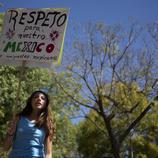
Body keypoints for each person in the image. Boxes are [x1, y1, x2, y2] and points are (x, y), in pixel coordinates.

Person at [3, 90, 55, 158]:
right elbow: (5, 148)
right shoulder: (18, 118)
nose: (39, 99)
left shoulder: (46, 124)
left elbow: (48, 153)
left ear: (45, 104)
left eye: (43, 98)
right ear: (30, 101)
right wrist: (10, 133)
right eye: (36, 97)